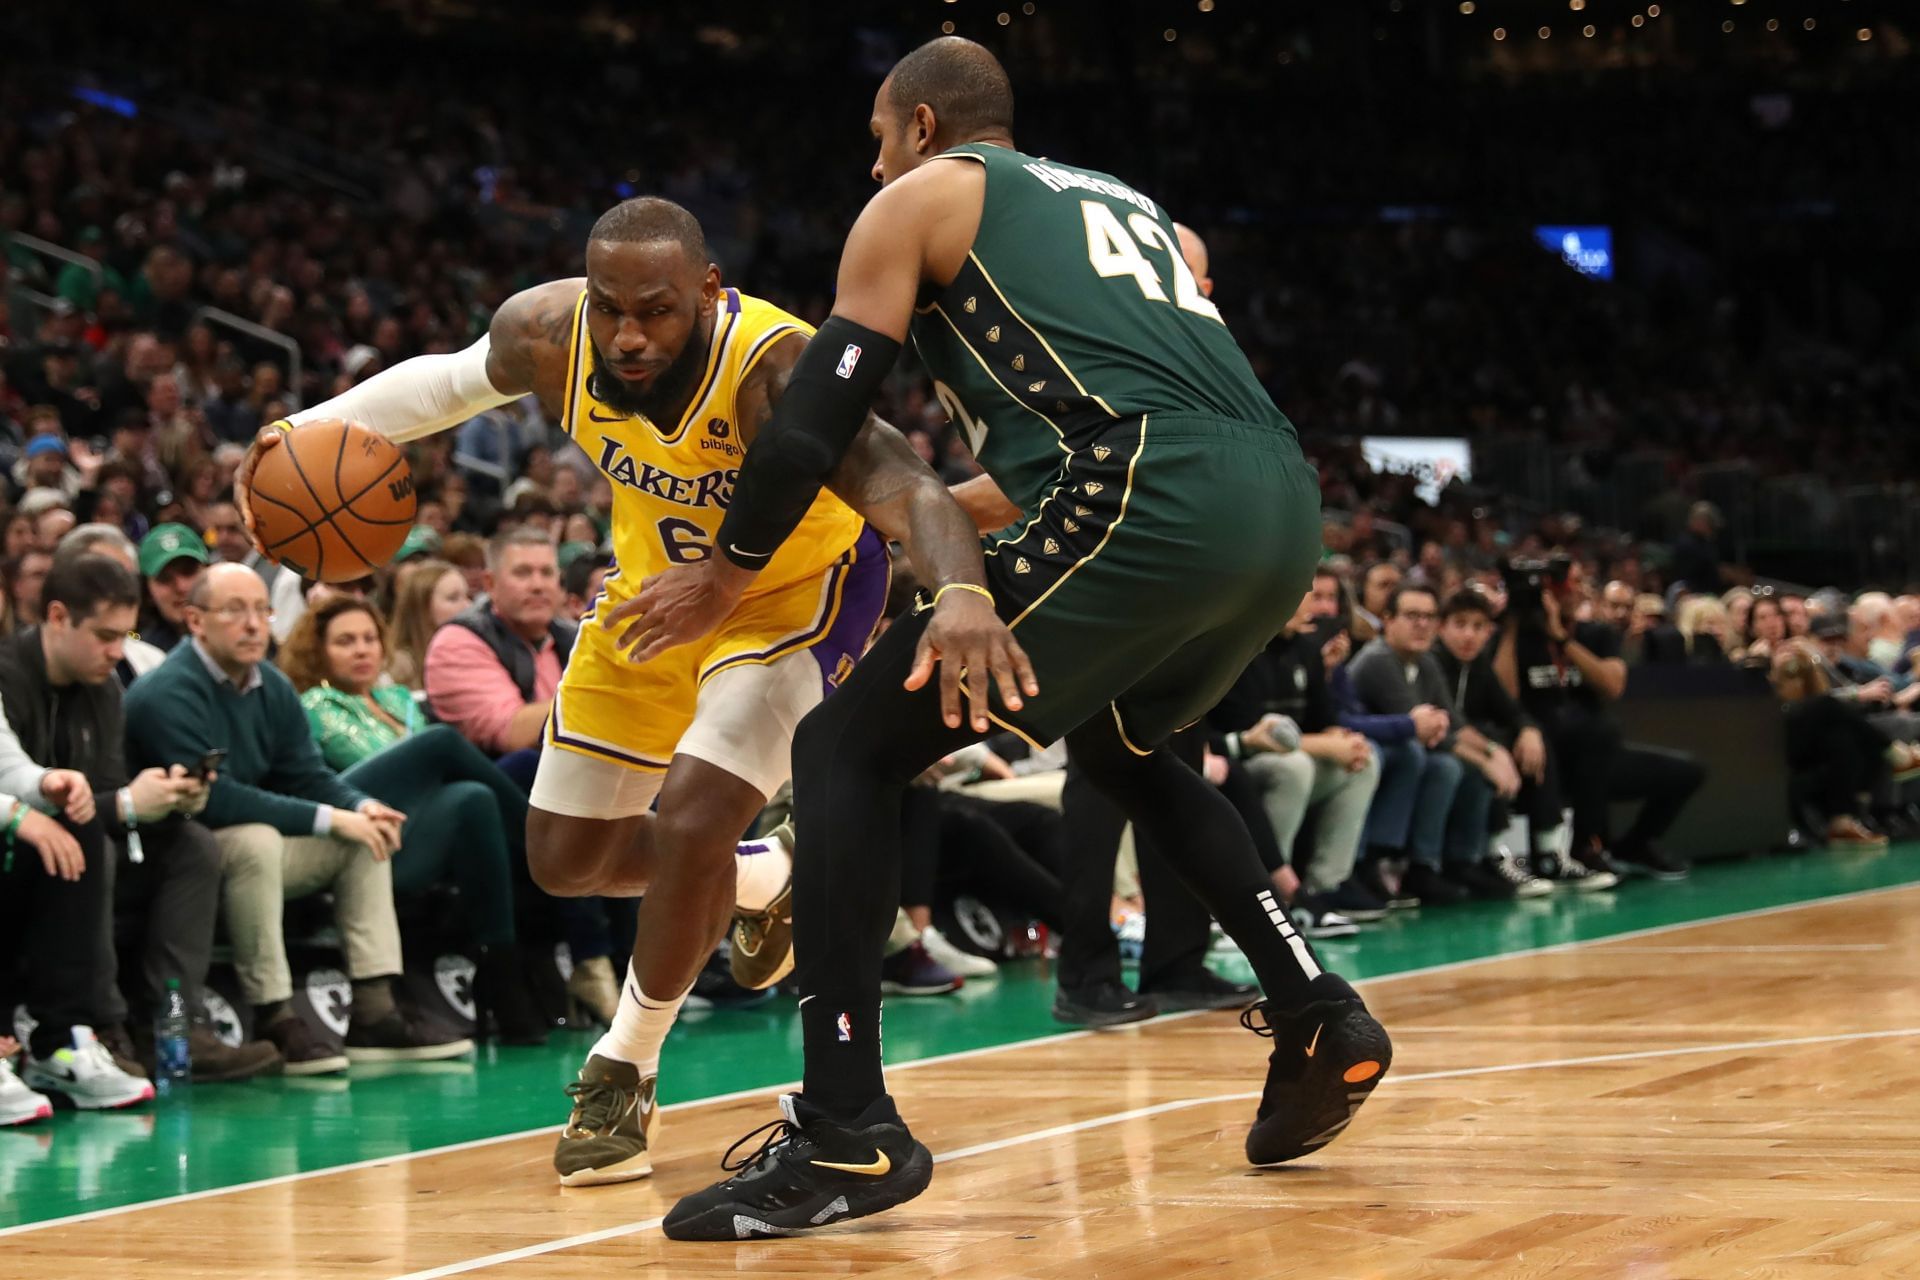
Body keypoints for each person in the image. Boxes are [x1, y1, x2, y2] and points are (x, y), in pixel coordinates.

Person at [631, 39, 1387, 1237]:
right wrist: (926, 527)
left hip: (1146, 487)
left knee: (843, 752)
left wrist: (728, 568)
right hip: (1281, 498)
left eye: (878, 135)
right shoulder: (1135, 208)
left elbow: (817, 418)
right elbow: (1097, 422)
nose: (871, 160)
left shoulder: (920, 198)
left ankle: (846, 1131)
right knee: (1128, 750)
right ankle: (1314, 1010)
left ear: (922, 127)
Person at [239, 196, 986, 1188]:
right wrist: (304, 429)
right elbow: (444, 388)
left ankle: (624, 1065)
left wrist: (964, 591)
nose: (629, 334)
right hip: (650, 594)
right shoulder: (552, 334)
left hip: (796, 598)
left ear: (709, 294)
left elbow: (912, 486)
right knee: (565, 857)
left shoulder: (775, 367)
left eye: (658, 310)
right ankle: (771, 875)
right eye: (612, 306)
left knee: (688, 823)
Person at [123, 564, 473, 1073]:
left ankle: (375, 1012)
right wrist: (329, 818)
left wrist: (357, 806)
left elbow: (306, 774)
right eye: (234, 611)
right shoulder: (167, 692)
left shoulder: (272, 684)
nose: (252, 624)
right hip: (177, 859)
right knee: (259, 838)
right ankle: (276, 1016)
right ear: (195, 621)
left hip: (247, 857)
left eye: (261, 610)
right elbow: (216, 801)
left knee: (361, 838)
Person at [0, 554, 281, 1083]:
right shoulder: (9, 677)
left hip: (82, 848)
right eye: (105, 635)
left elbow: (102, 796)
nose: (117, 651)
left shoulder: (104, 687)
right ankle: (101, 1031)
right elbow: (36, 794)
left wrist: (165, 799)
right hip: (22, 860)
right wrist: (127, 805)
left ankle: (177, 1030)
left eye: (124, 634)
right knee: (91, 843)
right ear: (58, 617)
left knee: (192, 845)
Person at [278, 595, 545, 1042]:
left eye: (369, 639)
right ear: (318, 651)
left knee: (473, 797)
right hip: (359, 833)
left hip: (412, 828)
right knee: (441, 743)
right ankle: (545, 846)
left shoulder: (397, 697)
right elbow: (375, 761)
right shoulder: (314, 704)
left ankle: (501, 967)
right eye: (346, 641)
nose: (362, 650)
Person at [386, 557, 470, 690]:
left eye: (468, 596)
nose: (467, 606)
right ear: (423, 608)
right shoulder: (399, 665)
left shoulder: (474, 653)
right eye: (453, 598)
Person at [136, 522, 208, 653]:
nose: (181, 587)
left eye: (188, 571)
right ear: (147, 593)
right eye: (165, 579)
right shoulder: (144, 658)